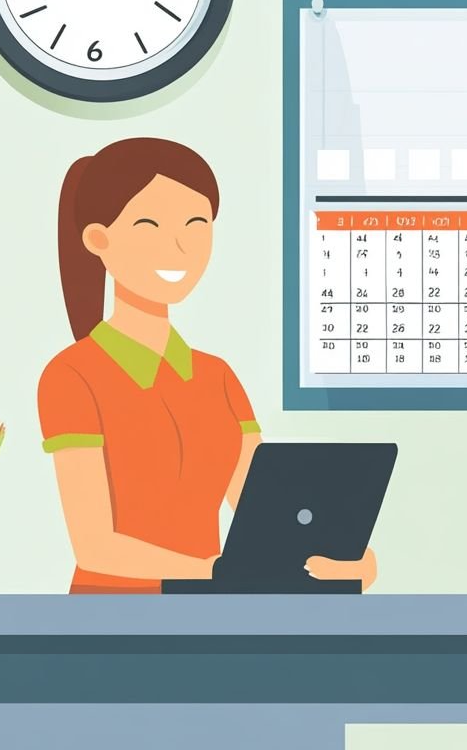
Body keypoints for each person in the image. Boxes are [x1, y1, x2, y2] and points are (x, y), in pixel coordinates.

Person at [37, 137, 376, 594]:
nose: (178, 246)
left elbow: (269, 517)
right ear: (99, 239)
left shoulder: (217, 377)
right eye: (148, 225)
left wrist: (340, 557)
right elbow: (96, 547)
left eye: (197, 223)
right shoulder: (72, 376)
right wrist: (219, 572)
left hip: (209, 617)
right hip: (110, 625)